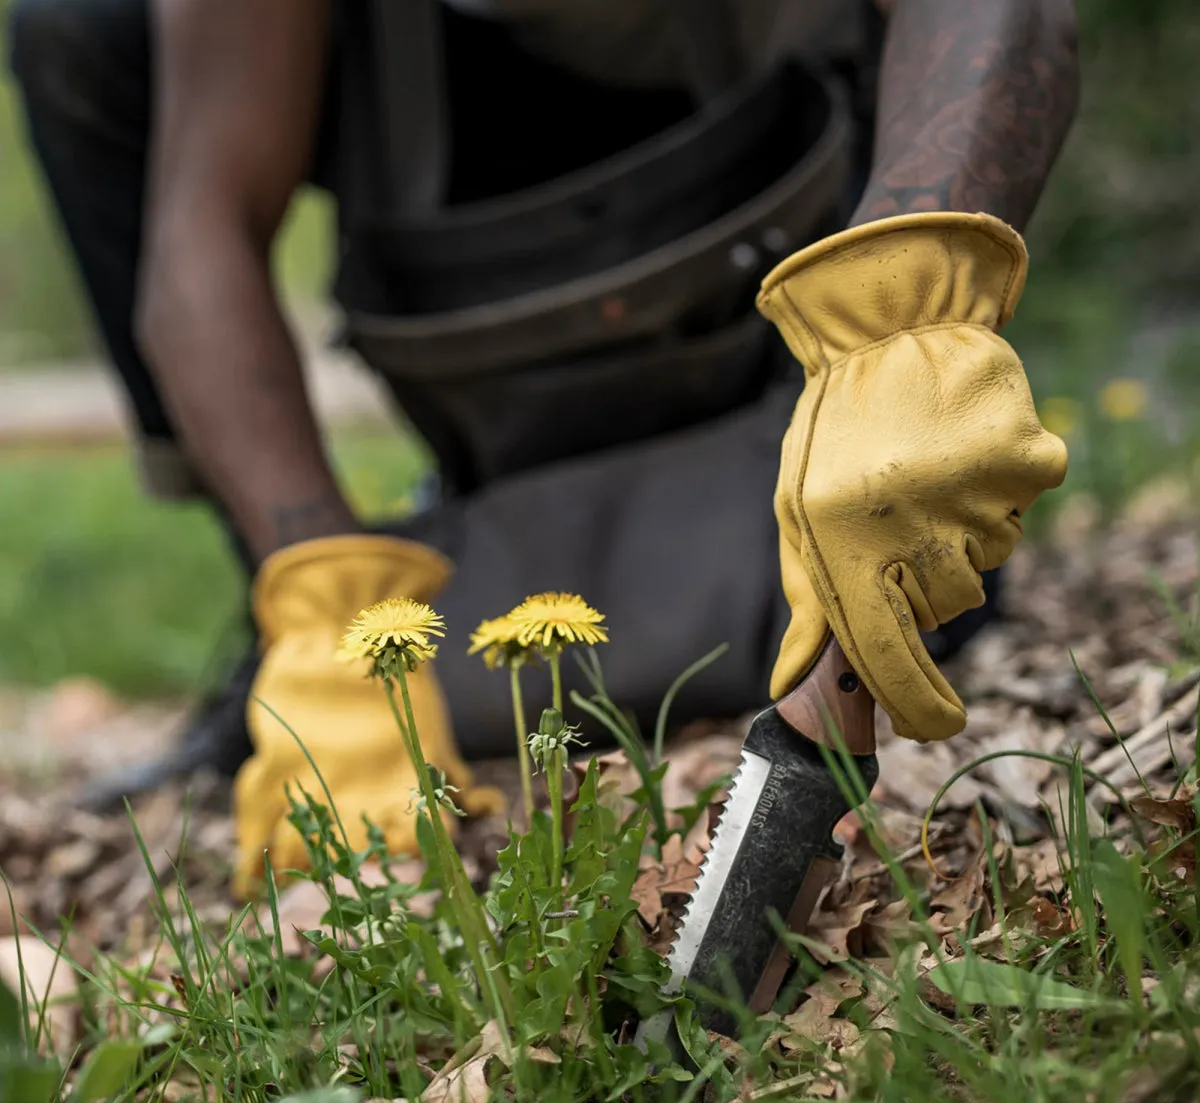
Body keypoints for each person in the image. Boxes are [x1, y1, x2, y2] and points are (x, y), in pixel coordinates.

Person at [8, 0, 1077, 896]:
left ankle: (872, 503)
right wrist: (325, 598)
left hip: (783, 281)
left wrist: (909, 328)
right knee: (85, 28)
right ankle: (297, 644)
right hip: (459, 203)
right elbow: (203, 220)